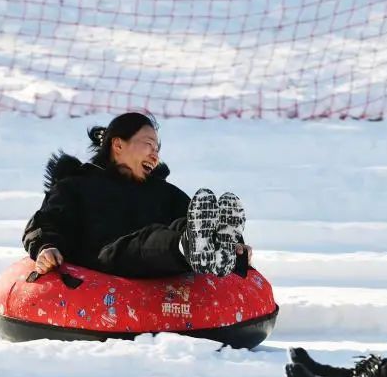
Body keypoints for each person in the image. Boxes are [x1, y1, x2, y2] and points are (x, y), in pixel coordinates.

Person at [23, 112, 250, 278]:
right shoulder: (75, 186)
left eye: (158, 150)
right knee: (146, 241)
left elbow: (195, 217)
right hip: (104, 261)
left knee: (185, 223)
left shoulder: (161, 191)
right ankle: (188, 246)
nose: (155, 156)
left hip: (162, 264)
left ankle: (217, 246)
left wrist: (237, 247)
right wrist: (46, 247)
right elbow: (47, 221)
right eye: (149, 145)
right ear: (118, 145)